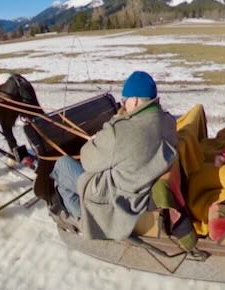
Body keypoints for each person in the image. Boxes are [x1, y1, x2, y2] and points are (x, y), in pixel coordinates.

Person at [51, 71, 178, 240]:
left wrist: (100, 138)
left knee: (62, 166)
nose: (124, 104)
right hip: (143, 190)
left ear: (135, 100)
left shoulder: (120, 131)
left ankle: (83, 219)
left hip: (118, 197)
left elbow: (87, 160)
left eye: (125, 100)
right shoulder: (168, 121)